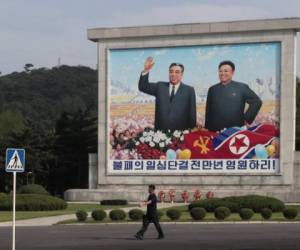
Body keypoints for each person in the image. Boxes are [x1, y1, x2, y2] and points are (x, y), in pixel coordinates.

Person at [138, 57, 196, 131]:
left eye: (177, 72)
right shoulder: (160, 86)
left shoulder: (189, 90)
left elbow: (192, 116)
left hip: (181, 136)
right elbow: (143, 86)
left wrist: (191, 134)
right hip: (161, 136)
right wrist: (146, 70)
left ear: (182, 74)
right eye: (171, 71)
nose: (173, 74)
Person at [205, 60, 262, 132]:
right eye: (220, 71)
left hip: (236, 130)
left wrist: (247, 118)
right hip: (215, 130)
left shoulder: (242, 87)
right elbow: (208, 111)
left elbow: (256, 101)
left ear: (232, 73)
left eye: (226, 71)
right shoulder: (212, 89)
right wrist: (207, 128)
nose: (222, 73)